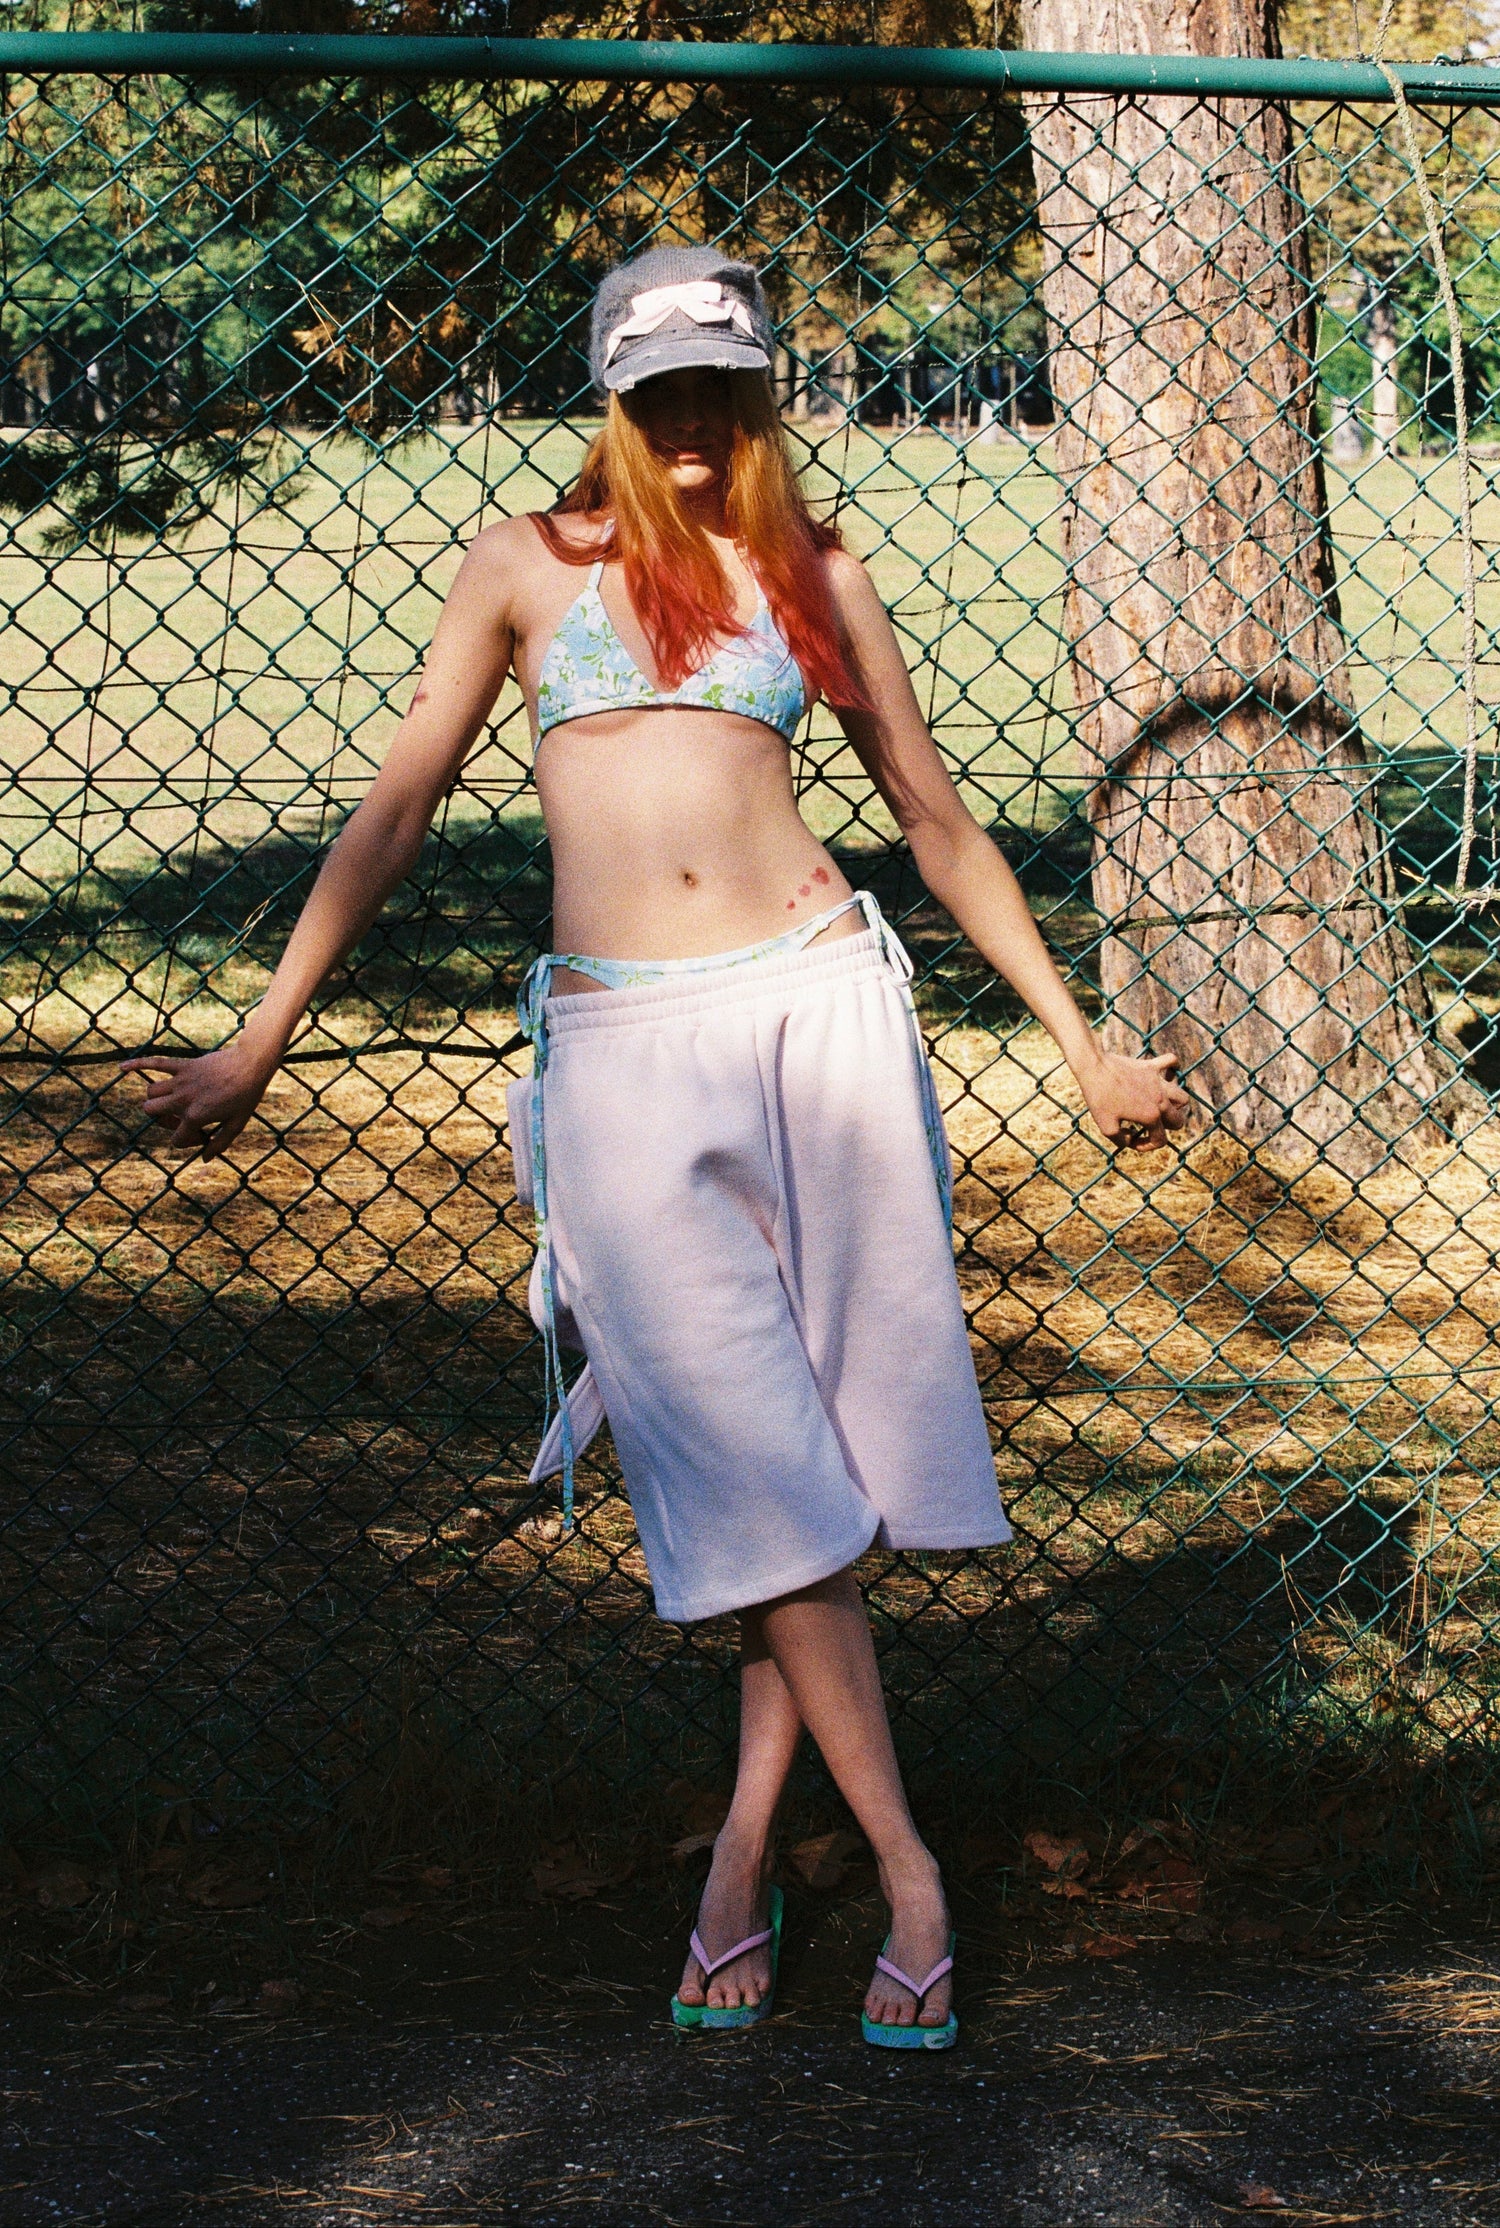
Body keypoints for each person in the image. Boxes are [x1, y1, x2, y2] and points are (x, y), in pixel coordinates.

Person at [122, 245, 1189, 2048]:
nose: (694, 419)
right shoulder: (524, 566)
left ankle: (740, 1858)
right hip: (619, 1050)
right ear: (612, 397)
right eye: (660, 389)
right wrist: (260, 1033)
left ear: (762, 390)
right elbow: (397, 806)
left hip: (819, 1018)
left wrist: (1079, 1043)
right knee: (751, 1459)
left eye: (723, 385)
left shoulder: (818, 570)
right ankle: (911, 1871)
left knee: (816, 1471)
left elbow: (933, 820)